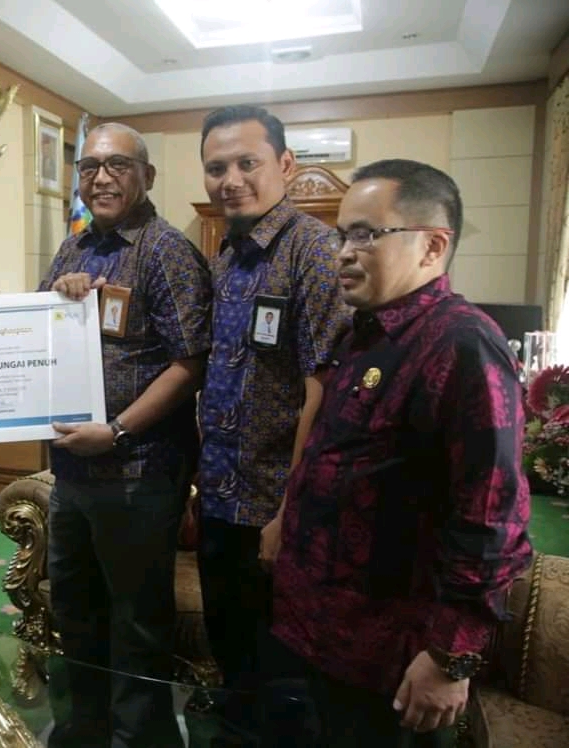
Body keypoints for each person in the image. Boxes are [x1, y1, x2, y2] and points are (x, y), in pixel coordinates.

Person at [269, 159, 533, 745]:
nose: (344, 252)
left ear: (433, 245)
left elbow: (491, 520)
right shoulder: (361, 334)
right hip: (324, 635)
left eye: (367, 234)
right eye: (342, 235)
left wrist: (449, 659)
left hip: (394, 661)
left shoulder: (463, 344)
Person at [41, 122, 213, 747]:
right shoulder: (72, 248)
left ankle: (138, 740)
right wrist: (59, 297)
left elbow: (191, 363)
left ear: (147, 176)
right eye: (89, 167)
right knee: (75, 614)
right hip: (72, 473)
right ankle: (81, 733)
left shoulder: (167, 251)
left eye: (117, 165)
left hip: (138, 472)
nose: (101, 178)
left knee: (136, 625)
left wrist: (115, 431)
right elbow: (40, 335)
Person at [195, 105, 350, 699]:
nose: (230, 180)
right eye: (216, 168)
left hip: (272, 506)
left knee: (278, 675)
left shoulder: (313, 249)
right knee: (230, 652)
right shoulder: (226, 256)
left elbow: (324, 386)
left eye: (247, 163)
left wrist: (289, 510)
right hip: (219, 498)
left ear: (285, 165)